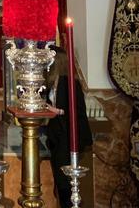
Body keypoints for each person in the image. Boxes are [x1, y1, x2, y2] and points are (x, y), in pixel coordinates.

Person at [44, 46, 93, 208]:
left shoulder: (71, 84)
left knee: (66, 182)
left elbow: (76, 111)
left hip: (68, 136)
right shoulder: (53, 82)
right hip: (57, 136)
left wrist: (55, 110)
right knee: (60, 180)